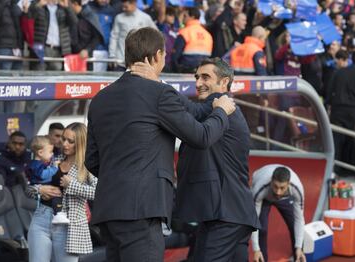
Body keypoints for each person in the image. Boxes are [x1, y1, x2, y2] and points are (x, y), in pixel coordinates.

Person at [85, 27, 236, 262]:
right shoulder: (159, 94)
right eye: (164, 55)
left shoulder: (99, 99)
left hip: (107, 211)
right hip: (143, 210)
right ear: (157, 56)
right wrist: (221, 113)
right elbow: (201, 137)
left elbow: (92, 161)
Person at [171, 58, 259, 262]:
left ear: (224, 82)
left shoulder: (219, 104)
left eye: (205, 77)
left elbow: (189, 110)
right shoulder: (217, 113)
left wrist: (157, 85)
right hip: (233, 214)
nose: (198, 83)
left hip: (225, 215)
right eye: (196, 77)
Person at [27, 123, 98, 262]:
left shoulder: (87, 165)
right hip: (42, 217)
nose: (65, 144)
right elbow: (27, 188)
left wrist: (71, 185)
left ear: (80, 143)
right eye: (63, 139)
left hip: (69, 226)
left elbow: (98, 192)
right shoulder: (53, 159)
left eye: (70, 141)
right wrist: (39, 189)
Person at [251, 164, 306, 262]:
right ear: (271, 180)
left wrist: (299, 247)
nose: (278, 192)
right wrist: (256, 249)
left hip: (285, 198)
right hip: (264, 197)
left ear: (289, 183)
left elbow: (299, 219)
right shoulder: (260, 188)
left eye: (282, 188)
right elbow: (253, 220)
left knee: (294, 224)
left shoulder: (297, 188)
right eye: (275, 186)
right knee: (262, 228)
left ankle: (298, 256)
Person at [27, 136, 70, 224]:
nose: (52, 154)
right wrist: (54, 168)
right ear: (40, 152)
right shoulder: (36, 165)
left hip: (41, 188)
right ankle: (58, 214)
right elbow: (43, 175)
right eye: (50, 152)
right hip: (40, 187)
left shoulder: (38, 163)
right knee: (56, 198)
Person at [108, 0, 156, 70]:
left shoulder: (145, 18)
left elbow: (155, 35)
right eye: (123, 6)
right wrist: (112, 55)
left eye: (126, 7)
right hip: (121, 61)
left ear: (134, 3)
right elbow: (114, 37)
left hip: (139, 62)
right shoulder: (119, 18)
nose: (123, 9)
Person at [171, 7, 213, 73]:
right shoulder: (207, 34)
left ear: (192, 17)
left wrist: (176, 70)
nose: (183, 18)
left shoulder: (184, 32)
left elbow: (175, 57)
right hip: (203, 71)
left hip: (185, 71)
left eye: (185, 16)